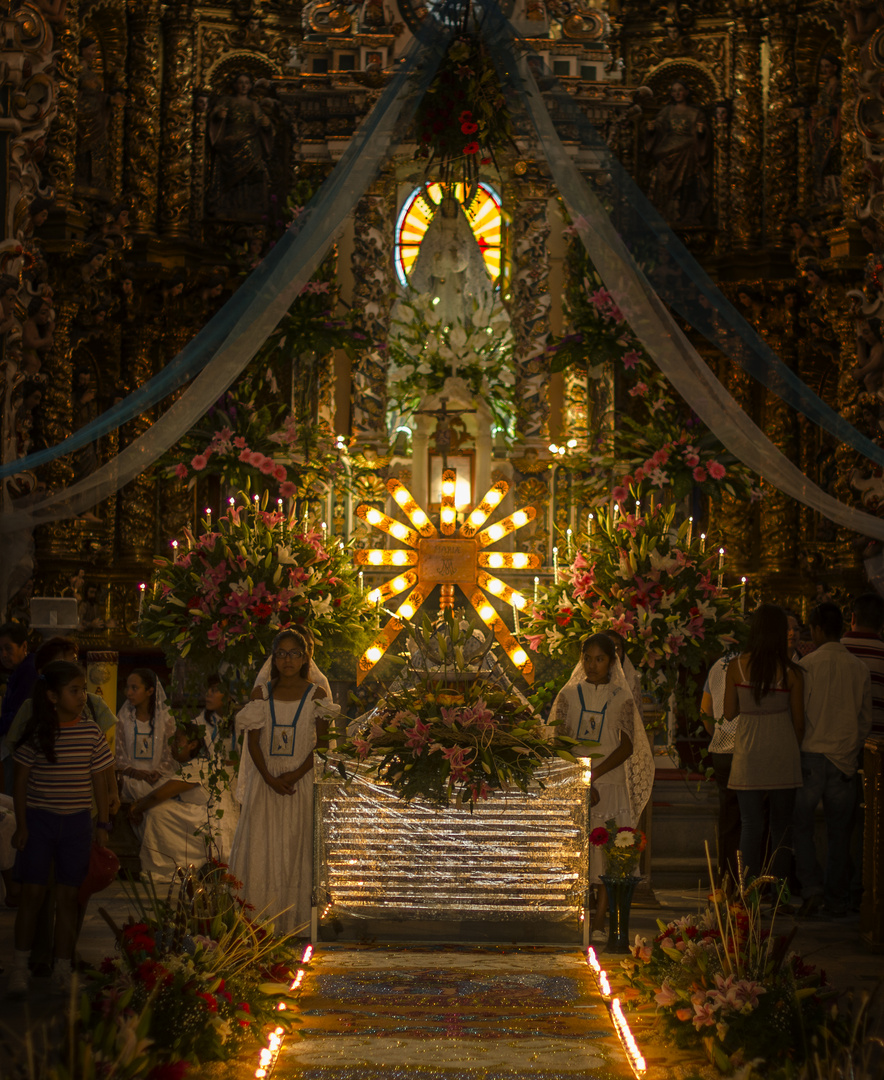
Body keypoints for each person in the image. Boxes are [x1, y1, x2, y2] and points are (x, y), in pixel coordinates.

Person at [8, 661, 114, 997]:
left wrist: (102, 823)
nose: (83, 696)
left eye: (83, 689)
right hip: (39, 821)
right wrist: (22, 824)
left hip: (76, 823)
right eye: (75, 690)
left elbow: (99, 778)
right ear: (53, 696)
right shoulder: (39, 732)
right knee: (33, 895)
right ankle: (20, 967)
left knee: (69, 896)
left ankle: (62, 966)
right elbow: (21, 781)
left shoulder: (90, 732)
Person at [229, 629, 339, 934]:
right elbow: (253, 743)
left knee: (294, 846)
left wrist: (294, 774)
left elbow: (322, 744)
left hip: (298, 784)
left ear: (304, 658)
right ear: (273, 658)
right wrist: (268, 778)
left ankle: (296, 923)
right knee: (262, 845)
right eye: (281, 653)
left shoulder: (317, 696)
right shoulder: (260, 694)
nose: (287, 660)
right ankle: (259, 922)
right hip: (265, 784)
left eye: (294, 654)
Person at [551, 634, 654, 941]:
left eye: (600, 659)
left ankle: (599, 921)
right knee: (582, 852)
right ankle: (582, 915)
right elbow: (558, 741)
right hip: (577, 782)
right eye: (588, 658)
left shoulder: (621, 696)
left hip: (609, 783)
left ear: (612, 662)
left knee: (610, 852)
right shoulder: (569, 694)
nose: (593, 665)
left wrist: (593, 775)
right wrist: (579, 774)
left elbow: (626, 745)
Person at [793, 603, 871, 918]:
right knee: (841, 832)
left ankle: (811, 889)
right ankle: (837, 896)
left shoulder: (807, 666)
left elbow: (800, 713)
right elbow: (865, 719)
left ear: (817, 630)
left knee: (801, 826)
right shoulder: (859, 668)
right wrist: (851, 748)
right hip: (844, 759)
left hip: (811, 753)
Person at [724, 604, 804, 883]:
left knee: (751, 825)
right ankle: (779, 895)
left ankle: (748, 894)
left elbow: (729, 712)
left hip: (748, 750)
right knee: (782, 828)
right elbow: (799, 721)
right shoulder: (791, 671)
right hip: (783, 749)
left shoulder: (736, 667)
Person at [129, 722, 215, 883]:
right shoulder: (190, 766)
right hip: (196, 817)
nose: (172, 746)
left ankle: (166, 868)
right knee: (157, 809)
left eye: (177, 741)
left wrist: (137, 809)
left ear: (192, 745)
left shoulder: (198, 767)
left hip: (208, 824)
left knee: (157, 812)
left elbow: (158, 796)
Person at [643, 80, 711, 228]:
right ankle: (665, 212)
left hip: (687, 151)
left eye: (680, 90)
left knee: (686, 183)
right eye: (674, 91)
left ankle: (684, 213)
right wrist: (651, 128)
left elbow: (703, 132)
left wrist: (701, 132)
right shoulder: (667, 111)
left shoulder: (695, 113)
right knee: (663, 180)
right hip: (667, 150)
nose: (677, 93)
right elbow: (659, 126)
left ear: (687, 92)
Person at [700, 649, 742, 883]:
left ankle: (726, 876)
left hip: (722, 747)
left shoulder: (719, 664)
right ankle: (746, 877)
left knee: (729, 815)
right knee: (751, 817)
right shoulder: (753, 663)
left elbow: (706, 711)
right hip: (748, 748)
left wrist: (717, 734)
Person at [115, 669, 175, 814]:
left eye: (134, 688)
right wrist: (133, 772)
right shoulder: (123, 718)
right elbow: (117, 753)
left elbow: (170, 754)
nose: (129, 693)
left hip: (157, 779)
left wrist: (158, 772)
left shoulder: (166, 719)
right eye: (127, 688)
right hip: (130, 780)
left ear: (150, 691)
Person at [0, 622, 38, 795]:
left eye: (8, 648)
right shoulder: (19, 671)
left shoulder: (28, 672)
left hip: (22, 747)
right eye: (0, 650)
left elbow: (18, 716)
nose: (4, 655)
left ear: (24, 646)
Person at [841, 593, 884, 737]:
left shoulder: (834, 650)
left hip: (840, 741)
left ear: (853, 618)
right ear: (882, 624)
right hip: (878, 740)